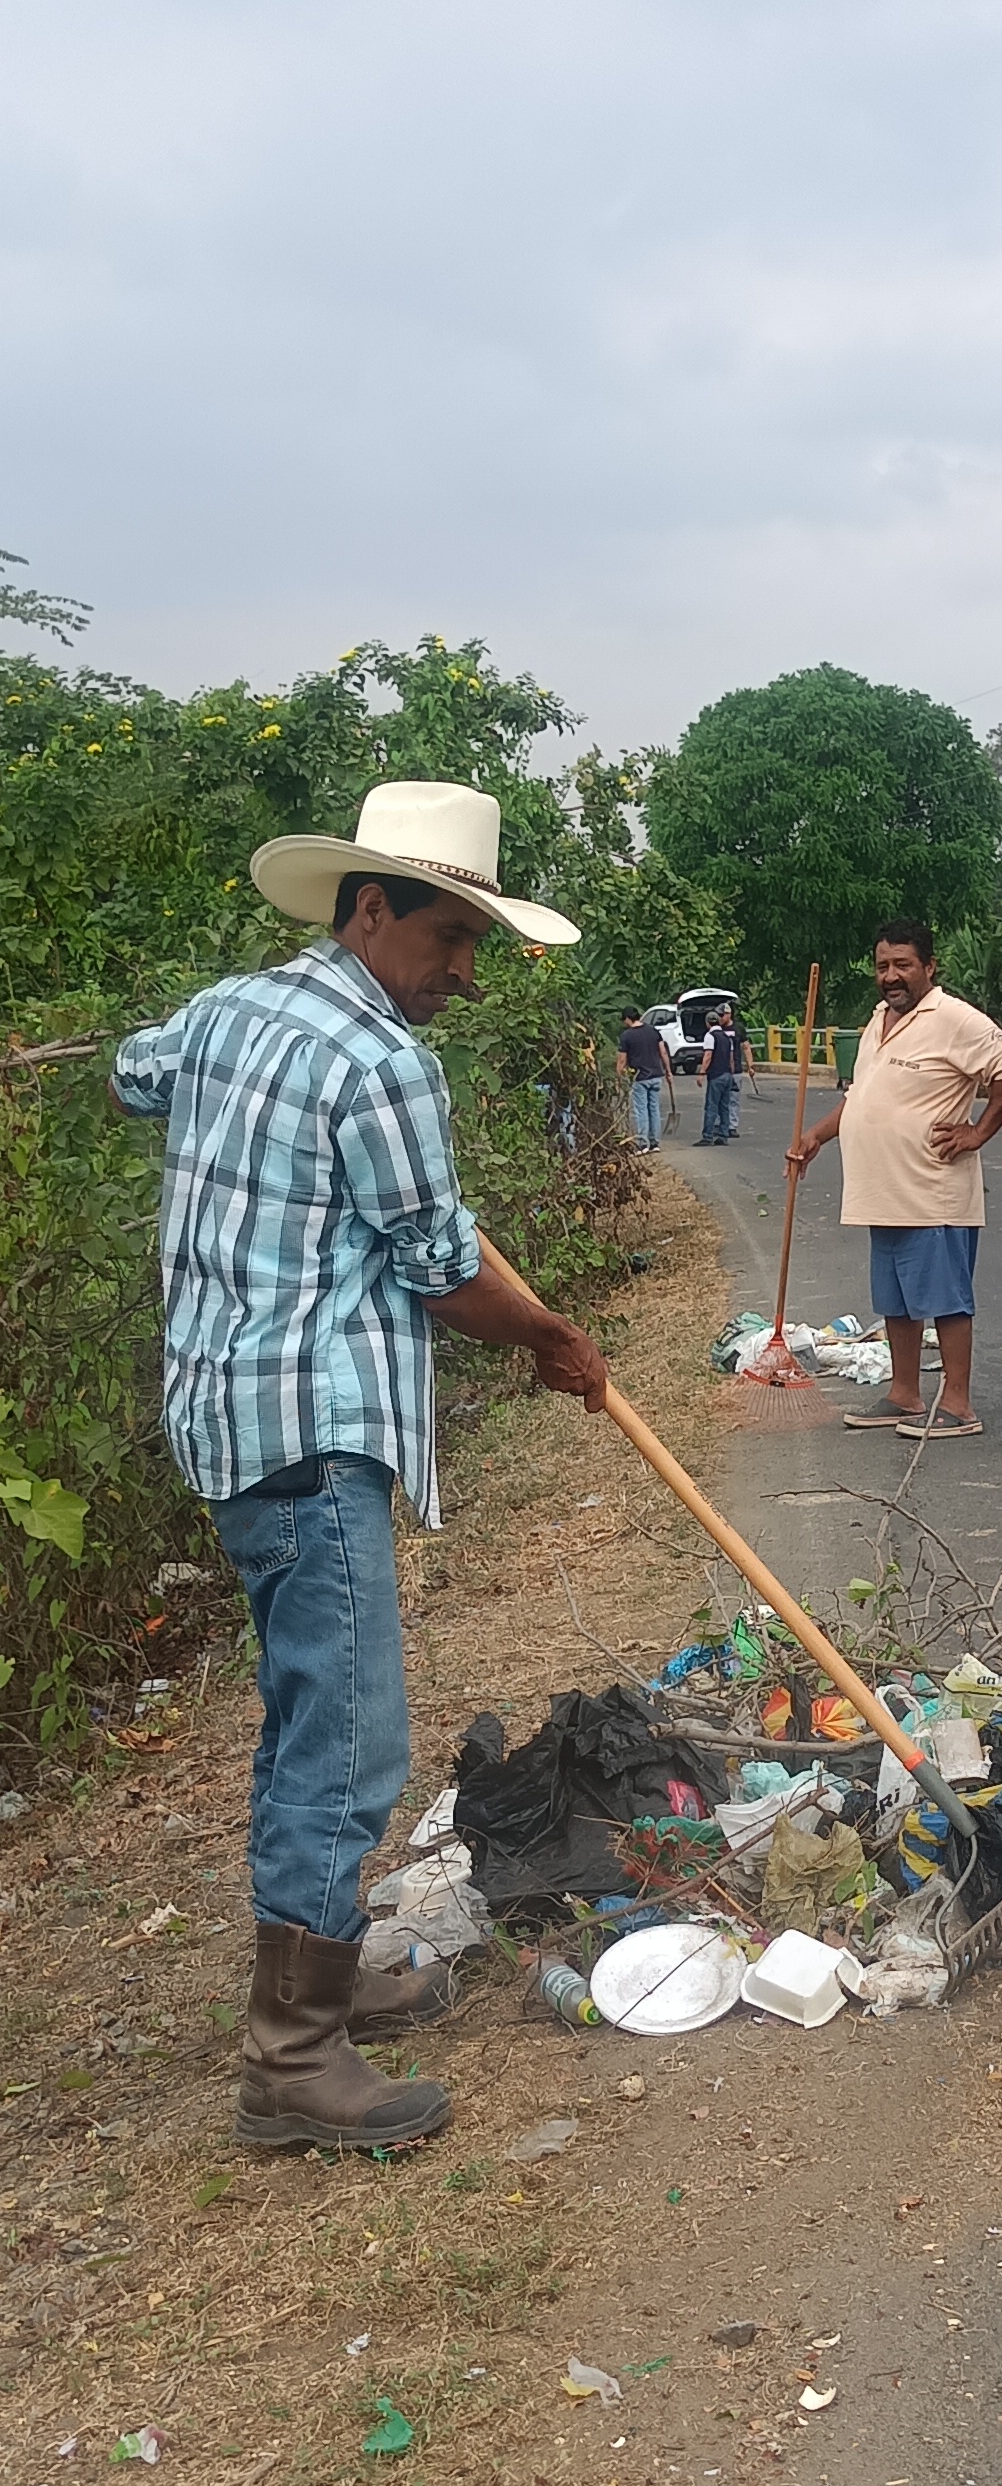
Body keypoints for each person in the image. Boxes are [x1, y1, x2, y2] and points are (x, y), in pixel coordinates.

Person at [111, 781, 610, 2157]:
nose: (464, 974)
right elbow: (442, 1268)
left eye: (475, 946)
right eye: (451, 938)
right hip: (312, 1435)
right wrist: (547, 1337)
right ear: (372, 909)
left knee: (305, 1722)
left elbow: (133, 1071)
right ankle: (291, 2063)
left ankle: (319, 1982)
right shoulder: (385, 1062)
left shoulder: (226, 1012)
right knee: (346, 1743)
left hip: (225, 1423)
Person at [786, 920, 1002, 1435]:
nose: (890, 976)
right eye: (882, 966)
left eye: (902, 965)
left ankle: (957, 1405)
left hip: (932, 1191)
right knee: (895, 1301)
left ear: (929, 967)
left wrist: (978, 1132)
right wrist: (816, 1136)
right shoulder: (878, 1020)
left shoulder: (954, 1018)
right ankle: (905, 1394)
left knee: (946, 1300)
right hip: (883, 1193)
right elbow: (862, 1097)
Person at [617, 1006, 674, 1150]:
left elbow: (622, 1060)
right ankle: (655, 1142)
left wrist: (619, 1075)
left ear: (628, 1018)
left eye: (624, 1020)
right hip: (656, 1076)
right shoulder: (653, 1031)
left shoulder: (626, 1036)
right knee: (654, 1109)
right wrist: (668, 1071)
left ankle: (643, 1143)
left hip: (640, 1078)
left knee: (641, 1111)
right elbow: (663, 1052)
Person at [696, 1004, 745, 1146]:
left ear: (708, 1023)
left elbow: (708, 1055)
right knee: (724, 1107)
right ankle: (723, 1136)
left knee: (711, 1106)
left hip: (716, 1075)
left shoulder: (710, 1036)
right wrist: (731, 1073)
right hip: (727, 1075)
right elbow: (731, 1058)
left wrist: (702, 1072)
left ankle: (707, 1136)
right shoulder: (726, 1037)